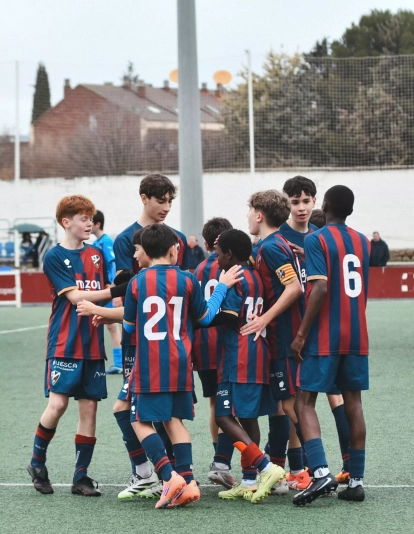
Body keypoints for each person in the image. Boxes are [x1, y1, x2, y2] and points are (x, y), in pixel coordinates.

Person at [123, 224, 244, 508]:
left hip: (151, 362)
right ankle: (188, 482)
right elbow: (205, 318)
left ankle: (169, 476)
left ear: (146, 251)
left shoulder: (137, 283)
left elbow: (129, 327)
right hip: (180, 360)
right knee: (173, 420)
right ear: (172, 249)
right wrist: (222, 287)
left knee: (138, 420)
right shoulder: (188, 280)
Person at [27, 195, 115, 497]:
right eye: (83, 218)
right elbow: (77, 297)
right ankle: (37, 462)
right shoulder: (54, 256)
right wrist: (115, 291)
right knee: (58, 405)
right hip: (64, 342)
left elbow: (102, 291)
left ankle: (81, 477)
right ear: (66, 222)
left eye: (90, 218)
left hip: (92, 344)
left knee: (89, 409)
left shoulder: (97, 254)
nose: (89, 223)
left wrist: (108, 307)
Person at [291, 185, 370, 506]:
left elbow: (321, 288)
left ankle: (321, 472)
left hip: (326, 334)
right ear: (350, 210)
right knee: (354, 403)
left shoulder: (316, 238)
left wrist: (301, 335)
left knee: (304, 402)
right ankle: (356, 480)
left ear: (323, 206)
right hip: (357, 334)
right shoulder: (363, 241)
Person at [112, 173, 189, 500]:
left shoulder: (178, 238)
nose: (167, 207)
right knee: (134, 409)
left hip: (168, 341)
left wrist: (97, 310)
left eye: (171, 201)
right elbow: (121, 290)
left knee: (162, 414)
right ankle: (149, 472)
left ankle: (169, 476)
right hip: (137, 343)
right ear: (144, 198)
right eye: (161, 200)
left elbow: (185, 288)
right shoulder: (124, 239)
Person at [77, 228, 160, 498]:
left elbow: (135, 311)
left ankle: (164, 475)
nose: (133, 256)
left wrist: (96, 308)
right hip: (153, 354)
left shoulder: (146, 279)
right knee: (143, 413)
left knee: (151, 415)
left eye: (137, 250)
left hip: (152, 356)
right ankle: (159, 474)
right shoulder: (151, 277)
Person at [281, 176, 351, 486]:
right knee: (291, 402)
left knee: (335, 397)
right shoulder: (277, 237)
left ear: (315, 202)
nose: (301, 207)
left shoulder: (320, 237)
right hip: (291, 331)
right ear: (286, 203)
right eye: (295, 201)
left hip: (323, 332)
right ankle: (303, 468)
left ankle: (347, 463)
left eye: (306, 201)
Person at [241, 190, 310, 491]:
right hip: (281, 338)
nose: (247, 216)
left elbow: (293, 287)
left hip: (284, 337)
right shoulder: (272, 245)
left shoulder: (271, 247)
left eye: (249, 211)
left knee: (292, 407)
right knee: (284, 406)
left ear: (259, 215)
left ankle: (316, 468)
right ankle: (286, 470)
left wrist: (264, 318)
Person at [211, 229, 286, 503]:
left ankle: (265, 467)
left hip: (239, 356)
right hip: (257, 353)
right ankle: (249, 481)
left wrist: (197, 316)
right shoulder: (256, 275)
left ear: (230, 254)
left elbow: (228, 316)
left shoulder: (236, 278)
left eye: (219, 254)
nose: (217, 259)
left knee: (223, 416)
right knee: (248, 418)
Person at [192, 217, 237, 489]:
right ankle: (222, 462)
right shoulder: (233, 265)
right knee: (231, 406)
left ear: (207, 244)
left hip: (202, 345)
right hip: (225, 343)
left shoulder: (198, 268)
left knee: (213, 403)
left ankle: (219, 458)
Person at [92, 210, 123, 374]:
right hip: (101, 289)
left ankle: (120, 362)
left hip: (108, 289)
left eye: (90, 221)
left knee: (112, 324)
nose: (87, 224)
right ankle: (118, 362)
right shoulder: (96, 242)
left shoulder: (106, 241)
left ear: (97, 224)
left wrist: (114, 289)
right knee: (108, 324)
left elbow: (112, 265)